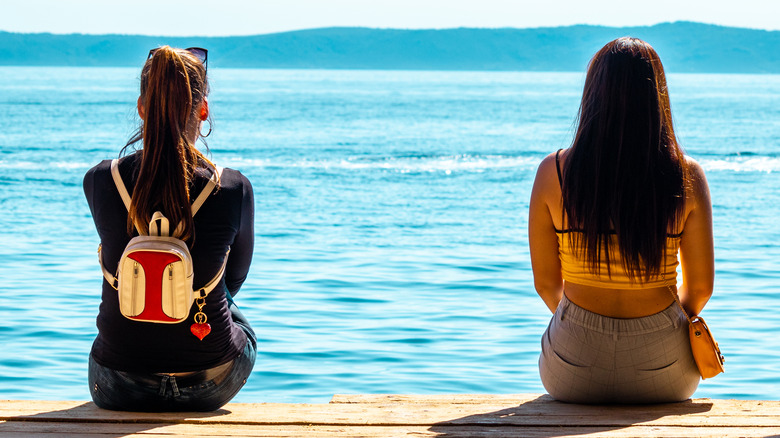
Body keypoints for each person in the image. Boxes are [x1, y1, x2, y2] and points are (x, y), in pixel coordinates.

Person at [528, 37, 714, 404]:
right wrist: (655, 324)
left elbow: (546, 283)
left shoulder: (554, 172)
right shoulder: (687, 175)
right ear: (657, 98)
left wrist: (583, 324)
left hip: (571, 369)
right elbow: (701, 289)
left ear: (593, 94)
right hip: (664, 373)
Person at [83, 46, 256, 411]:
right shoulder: (232, 188)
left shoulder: (100, 179)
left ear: (142, 107)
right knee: (229, 301)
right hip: (211, 380)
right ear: (203, 109)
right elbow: (235, 279)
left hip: (117, 382)